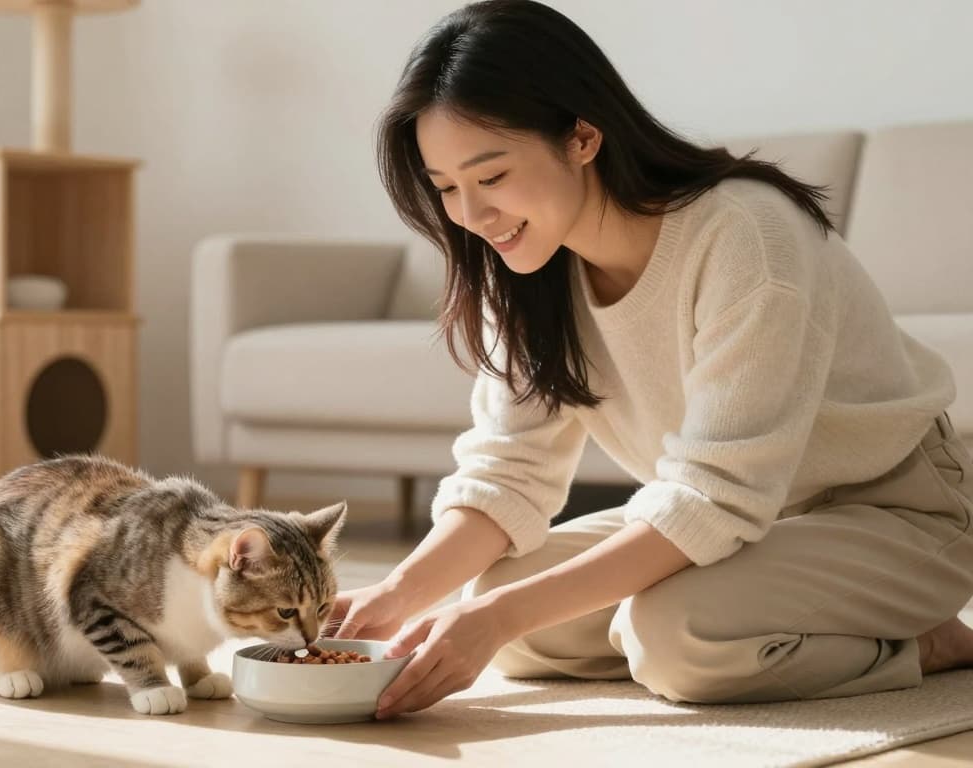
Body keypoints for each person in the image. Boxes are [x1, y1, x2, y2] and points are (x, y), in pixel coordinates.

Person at [329, 0, 973, 719]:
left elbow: (713, 495)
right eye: (446, 187)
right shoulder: (524, 264)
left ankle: (926, 643)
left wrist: (507, 616)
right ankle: (745, 620)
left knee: (670, 636)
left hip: (895, 513)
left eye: (492, 176)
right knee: (496, 608)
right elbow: (507, 471)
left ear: (581, 136)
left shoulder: (745, 233)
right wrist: (397, 595)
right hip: (748, 528)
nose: (472, 216)